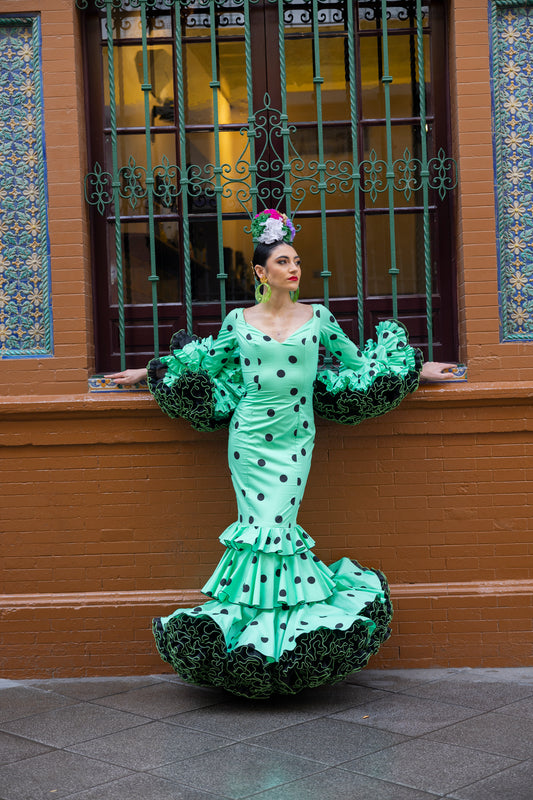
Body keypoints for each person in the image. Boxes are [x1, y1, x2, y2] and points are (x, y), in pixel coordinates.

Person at [109, 209, 456, 698]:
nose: (294, 269)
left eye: (297, 261)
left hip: (296, 437)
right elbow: (201, 359)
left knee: (279, 529)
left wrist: (418, 369)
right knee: (258, 533)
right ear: (260, 272)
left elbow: (360, 362)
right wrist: (146, 373)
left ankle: (275, 642)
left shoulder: (318, 317)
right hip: (248, 438)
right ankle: (258, 643)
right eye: (283, 261)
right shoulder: (239, 321)